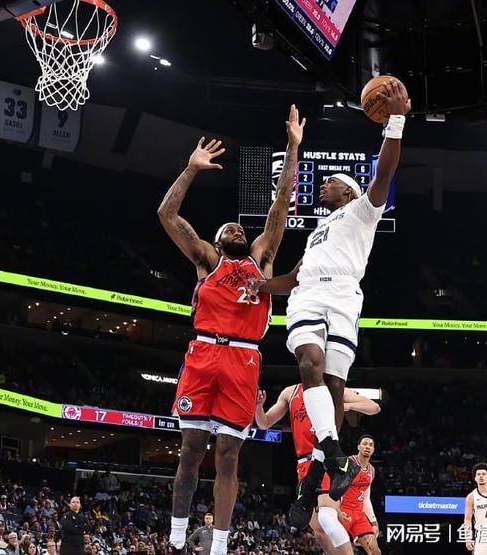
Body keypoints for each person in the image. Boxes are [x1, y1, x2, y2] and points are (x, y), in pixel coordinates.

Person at [248, 81, 411, 525]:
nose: (323, 185)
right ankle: (337, 456)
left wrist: (396, 121)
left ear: (349, 192)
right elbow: (292, 277)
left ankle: (313, 483)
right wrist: (262, 286)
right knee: (309, 364)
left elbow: (385, 172)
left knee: (335, 388)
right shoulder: (317, 233)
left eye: (332, 182)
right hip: (309, 294)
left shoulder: (362, 211)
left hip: (345, 296)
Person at [157, 105, 306, 555]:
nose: (238, 229)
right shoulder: (206, 259)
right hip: (204, 353)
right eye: (230, 228)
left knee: (228, 456)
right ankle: (177, 536)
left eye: (241, 227)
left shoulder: (261, 258)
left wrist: (293, 148)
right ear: (218, 240)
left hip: (243, 357)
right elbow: (167, 214)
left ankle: (220, 545)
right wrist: (190, 168)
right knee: (190, 450)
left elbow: (280, 203)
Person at [255, 386, 380, 555]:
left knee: (327, 518)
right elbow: (263, 423)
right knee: (319, 531)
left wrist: (346, 406)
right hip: (304, 463)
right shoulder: (290, 393)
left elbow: (374, 407)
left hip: (325, 458)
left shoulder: (333, 387)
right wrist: (258, 406)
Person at [331, 435, 381, 555]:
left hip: (359, 514)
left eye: (371, 445)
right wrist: (336, 510)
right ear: (358, 447)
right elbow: (333, 489)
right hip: (343, 511)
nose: (367, 447)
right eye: (365, 444)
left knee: (375, 550)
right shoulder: (347, 463)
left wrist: (373, 521)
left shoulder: (371, 470)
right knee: (337, 551)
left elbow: (366, 498)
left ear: (373, 450)